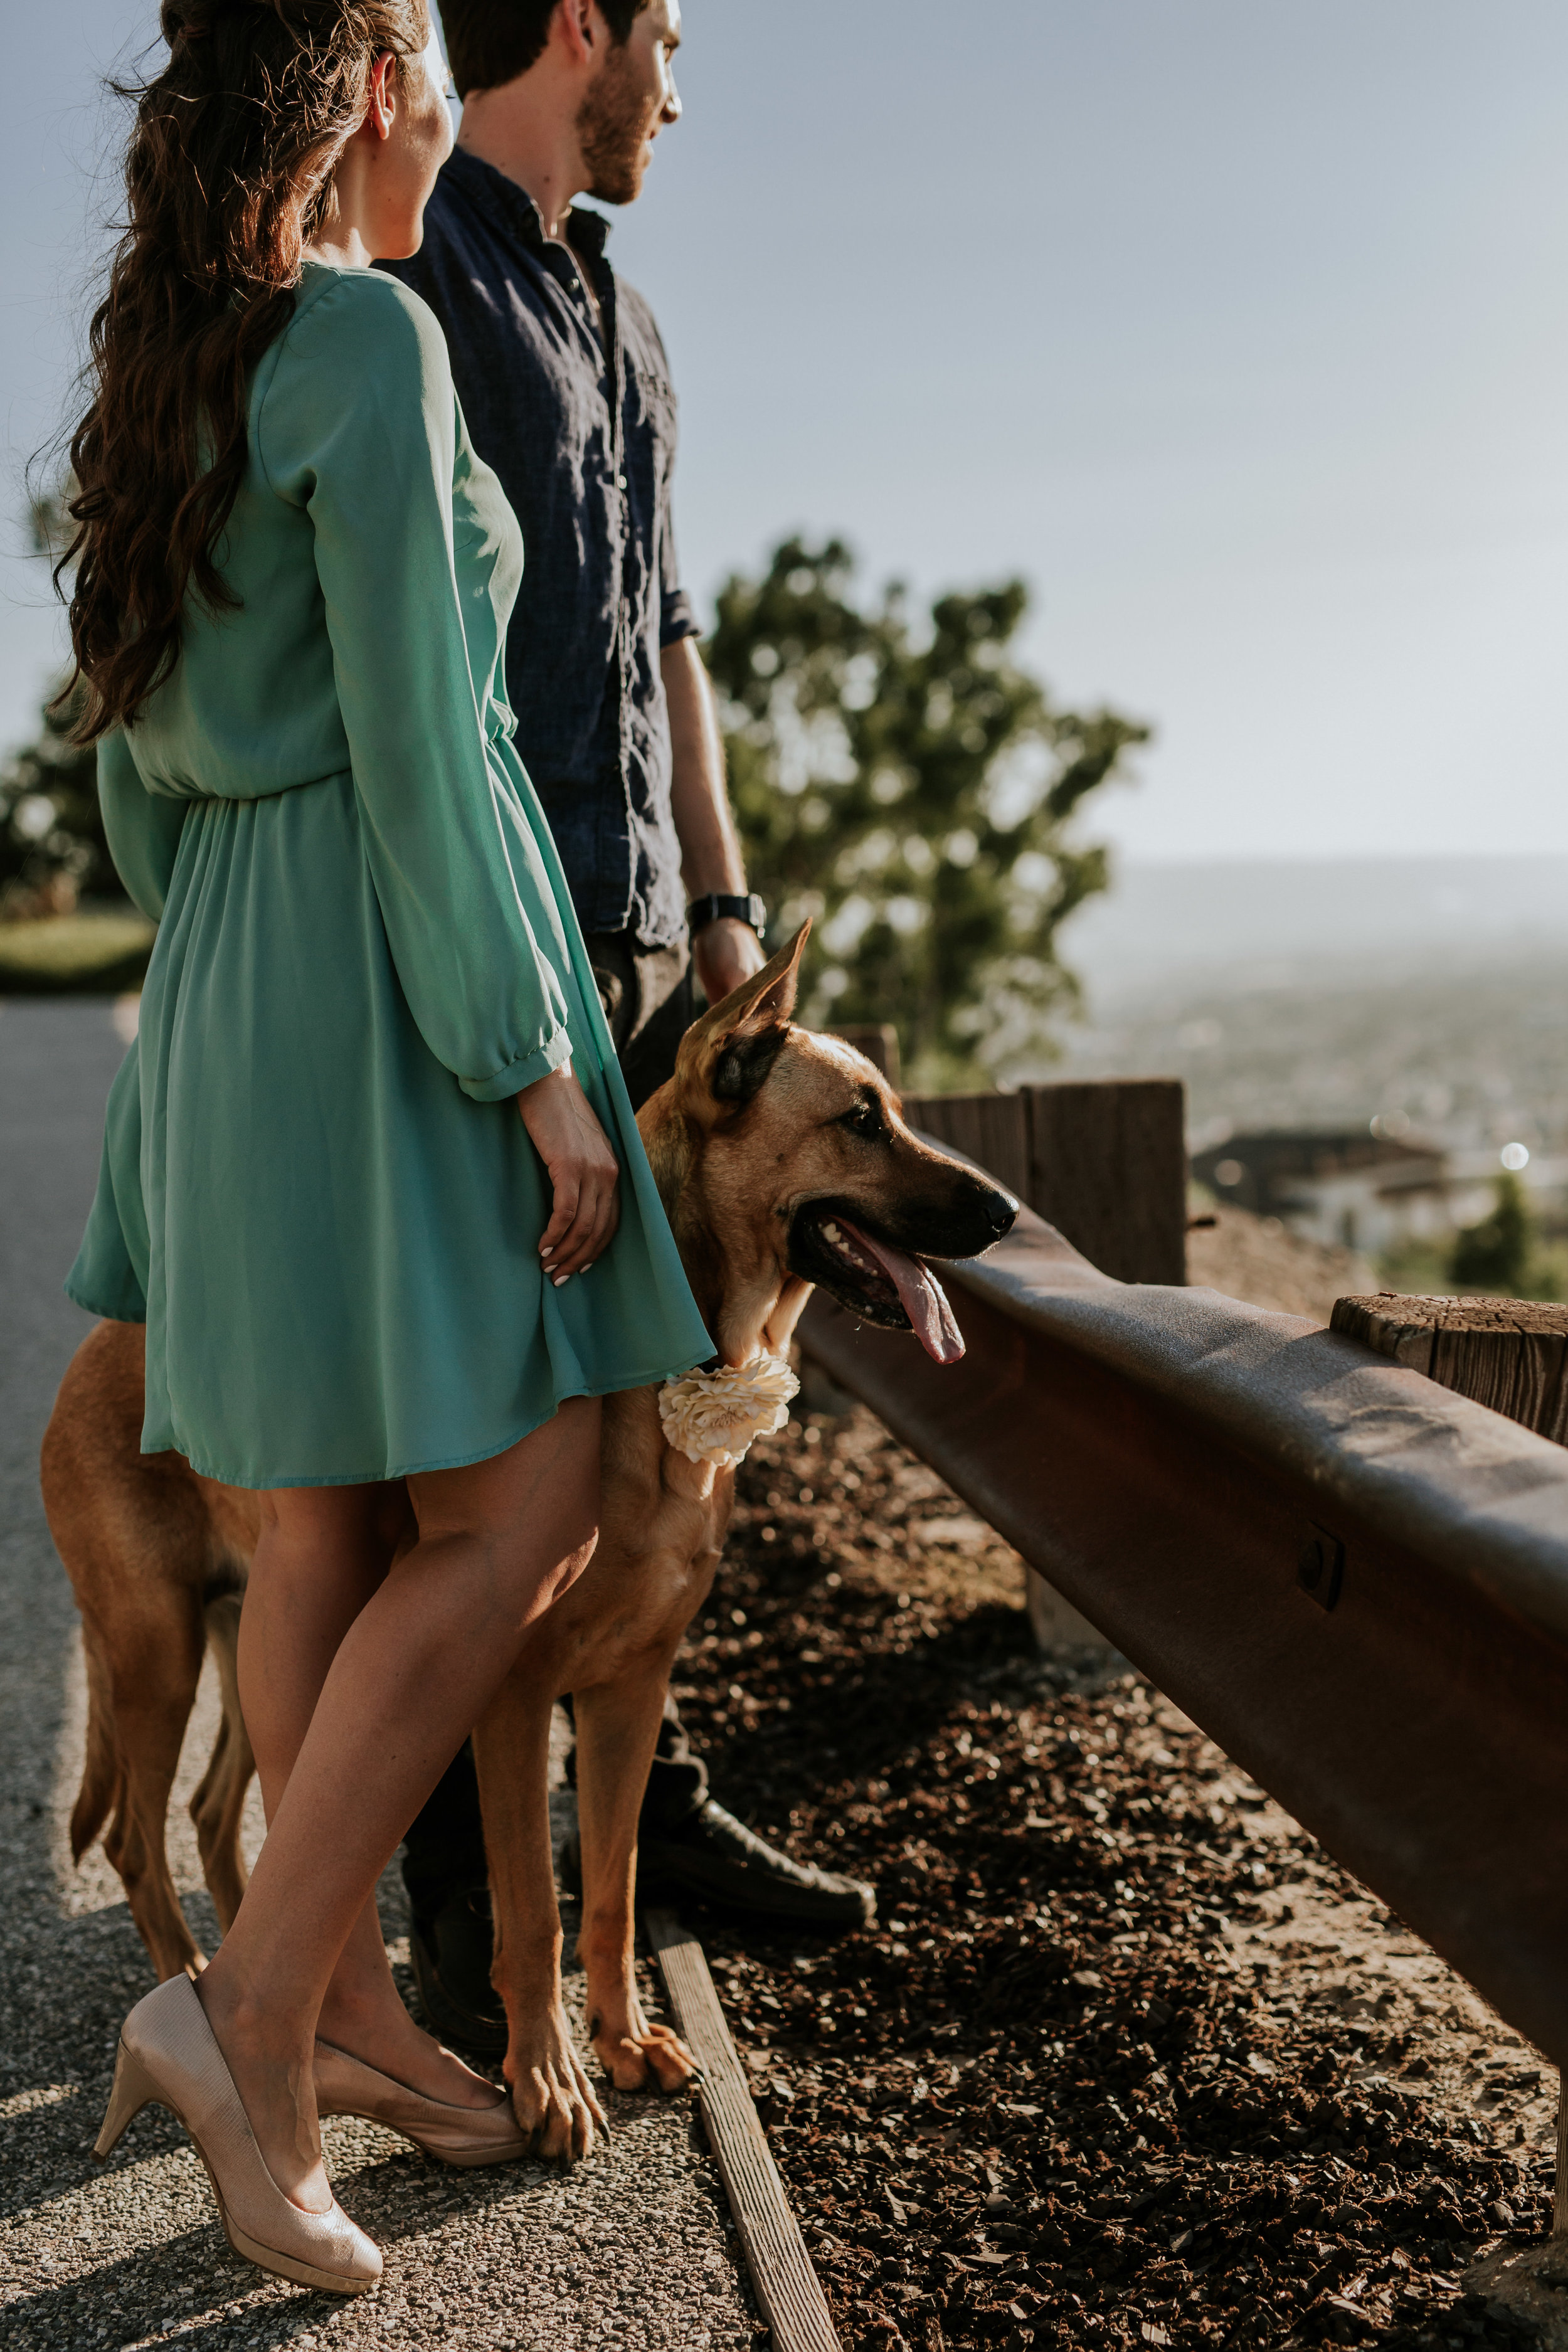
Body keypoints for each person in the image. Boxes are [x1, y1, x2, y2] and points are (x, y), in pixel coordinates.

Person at [61, 0, 713, 2295]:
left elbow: (132, 775)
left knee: (320, 1493)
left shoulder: (160, 355)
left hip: (235, 971)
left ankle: (332, 2017)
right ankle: (242, 2019)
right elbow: (434, 748)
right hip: (387, 964)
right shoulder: (363, 336)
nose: (439, 98)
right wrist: (531, 1055)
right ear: (364, 92)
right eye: (422, 56)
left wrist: (245, 934)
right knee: (528, 1500)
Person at [380, 0, 872, 2056]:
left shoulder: (635, 321)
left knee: (664, 1432)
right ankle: (455, 1940)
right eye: (666, 36)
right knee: (494, 1446)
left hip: (657, 956)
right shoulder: (422, 280)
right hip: (498, 954)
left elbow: (667, 628)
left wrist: (730, 903)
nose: (679, 84)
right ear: (572, 26)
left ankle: (642, 1822)